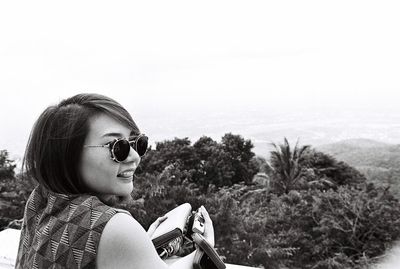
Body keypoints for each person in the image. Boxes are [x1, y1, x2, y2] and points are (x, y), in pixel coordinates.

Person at [15, 93, 215, 268]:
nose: (135, 156)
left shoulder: (40, 202)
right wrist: (204, 254)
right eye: (117, 147)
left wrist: (139, 247)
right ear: (68, 155)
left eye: (137, 143)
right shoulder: (114, 227)